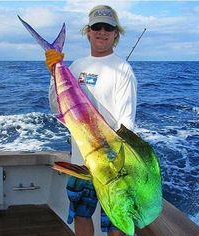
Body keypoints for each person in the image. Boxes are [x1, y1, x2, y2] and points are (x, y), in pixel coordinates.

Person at [46, 5, 137, 236]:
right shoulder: (76, 66)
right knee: (81, 214)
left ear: (116, 33)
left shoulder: (123, 69)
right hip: (81, 162)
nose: (102, 31)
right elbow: (60, 109)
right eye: (97, 26)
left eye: (109, 27)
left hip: (113, 167)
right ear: (88, 31)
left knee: (116, 223)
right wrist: (53, 75)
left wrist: (113, 161)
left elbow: (127, 124)